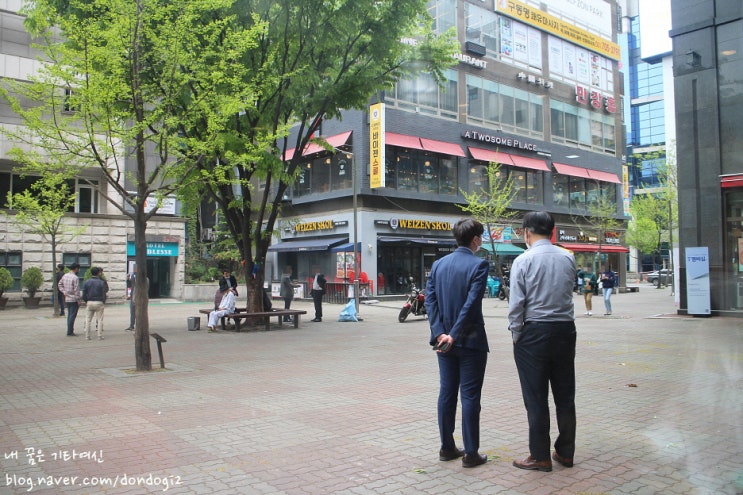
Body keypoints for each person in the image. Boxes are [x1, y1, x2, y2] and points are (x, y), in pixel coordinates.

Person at [508, 211, 576, 472]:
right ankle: (566, 451)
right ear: (552, 231)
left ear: (527, 232)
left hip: (534, 332)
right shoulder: (568, 257)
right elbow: (568, 291)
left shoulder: (523, 260)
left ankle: (540, 455)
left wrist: (516, 334)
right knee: (565, 394)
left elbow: (517, 304)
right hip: (565, 330)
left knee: (536, 397)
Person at [425, 218, 490, 469]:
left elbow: (430, 302)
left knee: (447, 393)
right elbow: (471, 303)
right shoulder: (479, 265)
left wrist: (441, 333)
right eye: (481, 237)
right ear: (475, 239)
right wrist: (455, 333)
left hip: (444, 344)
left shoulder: (439, 265)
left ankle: (446, 446)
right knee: (470, 397)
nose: (481, 241)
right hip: (470, 341)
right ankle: (471, 453)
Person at [82, 267, 109, 340]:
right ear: (98, 273)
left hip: (90, 301)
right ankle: (99, 335)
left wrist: (86, 301)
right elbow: (104, 293)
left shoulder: (87, 282)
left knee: (88, 319)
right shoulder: (102, 282)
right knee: (100, 319)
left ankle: (87, 336)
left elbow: (84, 293)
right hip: (99, 302)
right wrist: (103, 301)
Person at [58, 263, 82, 336]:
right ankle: (70, 331)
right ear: (76, 269)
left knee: (69, 315)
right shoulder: (75, 278)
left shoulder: (65, 276)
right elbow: (76, 289)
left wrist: (64, 291)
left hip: (67, 298)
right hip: (74, 298)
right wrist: (79, 300)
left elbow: (59, 284)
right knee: (72, 315)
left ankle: (69, 329)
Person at [125, 265, 137, 331]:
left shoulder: (144, 278)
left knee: (139, 312)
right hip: (133, 297)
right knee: (132, 312)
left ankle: (139, 325)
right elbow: (129, 286)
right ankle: (131, 325)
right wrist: (128, 279)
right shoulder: (132, 276)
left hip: (139, 298)